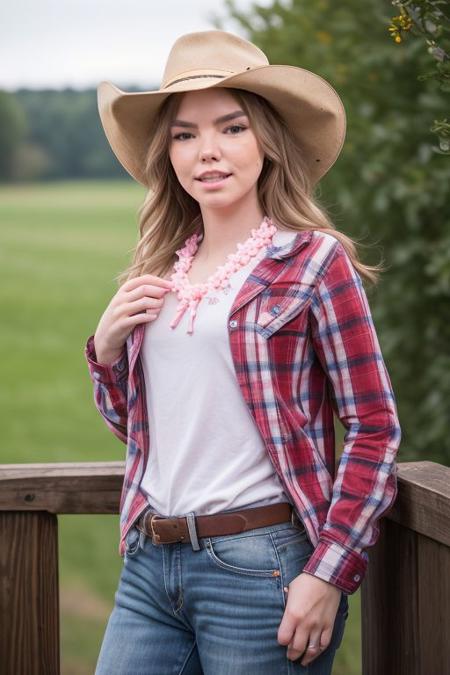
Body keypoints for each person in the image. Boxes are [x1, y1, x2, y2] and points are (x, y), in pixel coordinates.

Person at [84, 29, 402, 675]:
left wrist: (330, 572)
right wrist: (109, 351)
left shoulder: (313, 262)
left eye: (230, 128)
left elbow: (374, 427)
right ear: (166, 153)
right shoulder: (157, 274)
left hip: (262, 569)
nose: (207, 151)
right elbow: (142, 430)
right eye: (184, 134)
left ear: (267, 142)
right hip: (150, 562)